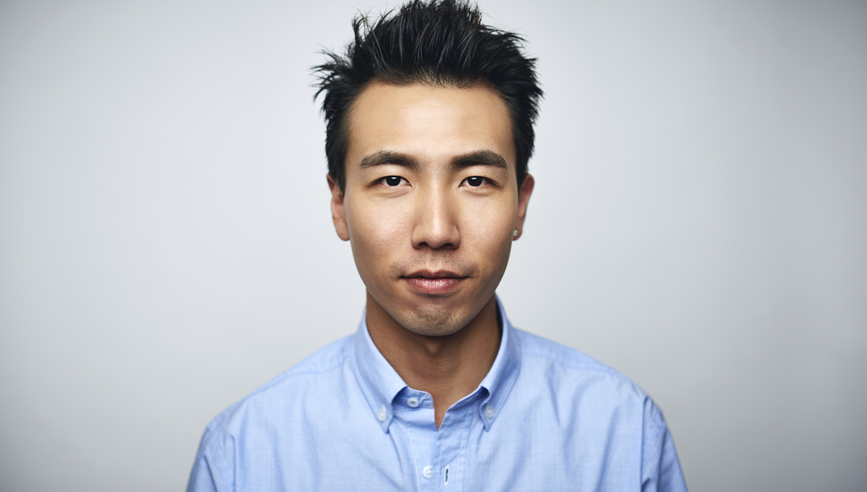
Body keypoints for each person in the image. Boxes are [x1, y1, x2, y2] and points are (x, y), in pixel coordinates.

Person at [187, 1, 688, 490]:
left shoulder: (625, 434)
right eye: (391, 180)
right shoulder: (243, 452)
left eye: (474, 180)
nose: (436, 230)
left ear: (520, 205)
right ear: (339, 204)